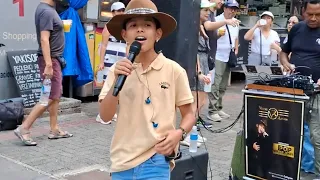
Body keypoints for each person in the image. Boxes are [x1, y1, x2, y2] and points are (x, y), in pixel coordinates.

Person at [99, 0, 196, 179]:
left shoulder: (174, 70)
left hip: (156, 160)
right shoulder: (116, 70)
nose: (140, 30)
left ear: (158, 33)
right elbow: (105, 116)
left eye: (147, 25)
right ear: (124, 34)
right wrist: (116, 84)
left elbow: (190, 114)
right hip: (122, 162)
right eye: (133, 25)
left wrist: (179, 134)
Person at [14, 0, 73, 146]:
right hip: (50, 60)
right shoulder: (46, 11)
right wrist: (48, 64)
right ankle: (24, 127)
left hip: (54, 60)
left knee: (55, 95)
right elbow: (44, 39)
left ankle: (54, 129)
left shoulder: (47, 9)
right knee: (49, 97)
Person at [280, 0, 320, 177]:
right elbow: (283, 52)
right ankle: (292, 170)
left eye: (318, 15)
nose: (313, 18)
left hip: (318, 94)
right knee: (291, 132)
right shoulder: (296, 29)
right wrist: (286, 63)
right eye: (310, 14)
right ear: (303, 12)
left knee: (316, 137)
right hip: (295, 90)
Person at [181, 0, 215, 147]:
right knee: (195, 103)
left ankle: (192, 133)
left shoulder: (201, 26)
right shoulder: (193, 27)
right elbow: (193, 51)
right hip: (197, 65)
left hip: (204, 64)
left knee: (201, 101)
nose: (208, 13)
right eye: (205, 10)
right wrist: (199, 71)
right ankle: (186, 134)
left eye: (209, 10)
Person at [203, 0, 241, 122]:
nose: (233, 11)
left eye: (235, 9)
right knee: (216, 83)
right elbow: (211, 35)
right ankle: (212, 110)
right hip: (218, 55)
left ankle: (218, 108)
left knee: (223, 85)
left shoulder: (236, 22)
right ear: (224, 8)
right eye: (230, 8)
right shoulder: (217, 19)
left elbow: (236, 37)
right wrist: (219, 34)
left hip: (228, 56)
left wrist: (235, 49)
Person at [95, 2, 126, 125]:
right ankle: (101, 114)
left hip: (122, 58)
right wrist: (101, 61)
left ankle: (112, 112)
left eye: (122, 10)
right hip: (109, 60)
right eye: (118, 10)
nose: (120, 12)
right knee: (107, 86)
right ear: (113, 12)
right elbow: (103, 44)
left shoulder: (126, 26)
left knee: (120, 85)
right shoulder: (109, 26)